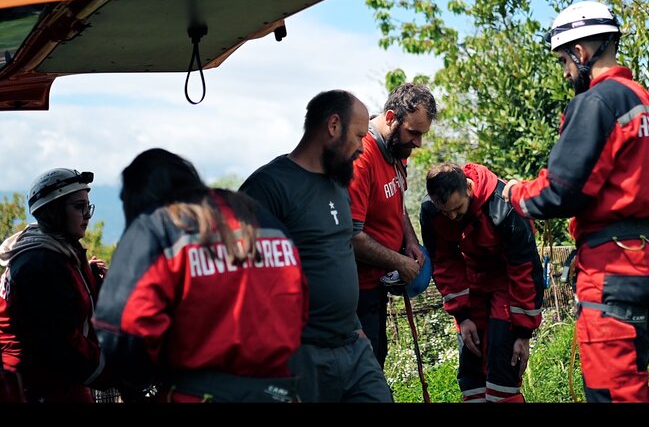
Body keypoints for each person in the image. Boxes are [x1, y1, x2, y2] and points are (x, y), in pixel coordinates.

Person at [502, 1, 649, 402]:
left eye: (564, 61)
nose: (565, 72)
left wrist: (514, 192)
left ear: (580, 53)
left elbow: (560, 190)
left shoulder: (597, 103)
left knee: (613, 395)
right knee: (634, 384)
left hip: (611, 270)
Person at [93, 148, 309, 403]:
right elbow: (301, 304)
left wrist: (141, 378)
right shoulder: (258, 217)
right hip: (278, 392)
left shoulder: (158, 226)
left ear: (136, 196)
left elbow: (124, 327)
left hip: (194, 393)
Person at [240, 89, 393, 402]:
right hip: (300, 357)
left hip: (353, 346)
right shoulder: (269, 187)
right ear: (333, 125)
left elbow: (339, 253)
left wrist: (355, 328)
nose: (363, 148)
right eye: (359, 135)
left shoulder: (338, 183)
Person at [420, 162, 544, 403]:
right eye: (446, 212)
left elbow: (525, 270)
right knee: (471, 369)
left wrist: (523, 332)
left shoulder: (504, 205)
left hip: (507, 284)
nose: (452, 217)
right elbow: (444, 262)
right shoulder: (432, 210)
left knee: (503, 364)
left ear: (468, 187)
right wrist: (462, 316)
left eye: (457, 209)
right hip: (471, 282)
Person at [0, 168, 114, 402]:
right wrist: (113, 374)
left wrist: (92, 279)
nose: (87, 215)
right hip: (34, 386)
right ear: (52, 212)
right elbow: (61, 342)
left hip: (52, 380)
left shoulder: (58, 253)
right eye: (78, 207)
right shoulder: (40, 265)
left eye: (88, 207)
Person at [347, 82, 437, 369]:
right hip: (356, 293)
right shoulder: (362, 158)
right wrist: (400, 262)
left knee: (377, 361)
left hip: (376, 285)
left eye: (422, 134)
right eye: (414, 132)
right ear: (390, 118)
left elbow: (397, 201)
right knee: (365, 372)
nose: (419, 143)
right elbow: (351, 236)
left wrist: (409, 240)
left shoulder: (396, 151)